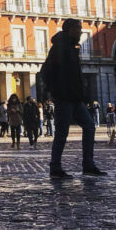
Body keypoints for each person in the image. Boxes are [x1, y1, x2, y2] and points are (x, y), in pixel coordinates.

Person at [41, 18, 104, 178]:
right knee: (62, 133)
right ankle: (55, 167)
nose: (81, 32)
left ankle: (88, 164)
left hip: (75, 98)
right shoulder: (60, 48)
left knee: (89, 126)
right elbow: (46, 72)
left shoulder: (71, 47)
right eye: (78, 29)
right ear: (70, 30)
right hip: (64, 98)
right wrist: (56, 91)